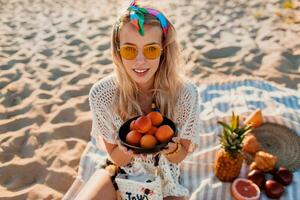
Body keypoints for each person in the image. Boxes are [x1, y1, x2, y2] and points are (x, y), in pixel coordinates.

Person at [63, 1, 200, 199]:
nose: (140, 60)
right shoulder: (102, 94)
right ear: (118, 51)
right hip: (119, 172)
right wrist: (126, 150)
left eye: (151, 49)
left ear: (163, 50)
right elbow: (116, 159)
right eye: (129, 50)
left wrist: (173, 150)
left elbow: (180, 156)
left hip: (165, 176)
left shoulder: (186, 94)